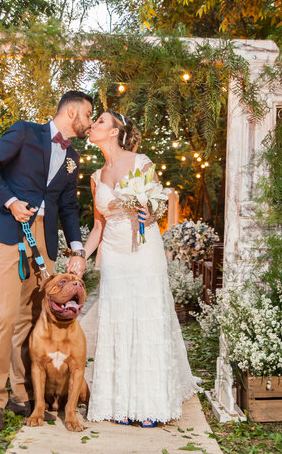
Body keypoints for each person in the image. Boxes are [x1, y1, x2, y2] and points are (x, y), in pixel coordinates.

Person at [77, 110, 201, 427]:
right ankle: (120, 401)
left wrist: (150, 213)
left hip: (143, 249)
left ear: (115, 132)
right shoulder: (95, 177)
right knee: (119, 319)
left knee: (146, 319)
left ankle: (150, 403)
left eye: (100, 122)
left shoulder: (141, 162)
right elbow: (97, 227)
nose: (93, 125)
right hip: (114, 255)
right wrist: (81, 255)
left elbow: (155, 208)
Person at [0, 91, 93, 432]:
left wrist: (77, 248)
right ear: (72, 112)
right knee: (3, 314)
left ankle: (20, 392)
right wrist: (11, 201)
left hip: (44, 239)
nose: (89, 123)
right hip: (9, 229)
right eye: (88, 115)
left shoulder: (73, 157)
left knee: (29, 317)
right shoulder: (26, 132)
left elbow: (69, 207)